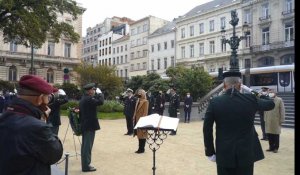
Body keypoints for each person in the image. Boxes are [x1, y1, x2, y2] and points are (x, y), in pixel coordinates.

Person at [203, 71, 275, 175]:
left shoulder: (215, 102)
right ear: (241, 85)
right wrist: (252, 91)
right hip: (246, 153)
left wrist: (209, 152)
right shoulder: (251, 99)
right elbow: (270, 103)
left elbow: (207, 129)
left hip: (224, 153)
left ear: (224, 85)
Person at [0, 74, 63, 175]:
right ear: (40, 99)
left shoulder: (5, 116)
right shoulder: (37, 127)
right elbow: (54, 154)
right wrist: (43, 122)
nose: (48, 102)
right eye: (47, 98)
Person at [79, 83, 104, 172]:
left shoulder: (84, 98)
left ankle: (85, 164)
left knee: (85, 146)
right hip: (89, 126)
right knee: (87, 146)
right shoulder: (89, 99)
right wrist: (100, 94)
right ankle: (86, 166)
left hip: (86, 125)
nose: (94, 91)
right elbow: (100, 102)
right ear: (89, 91)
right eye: (93, 90)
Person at [133, 89, 149, 154]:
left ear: (143, 93)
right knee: (139, 135)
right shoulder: (138, 101)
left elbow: (145, 112)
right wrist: (134, 116)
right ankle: (140, 148)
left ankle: (142, 149)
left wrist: (143, 121)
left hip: (142, 120)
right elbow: (135, 110)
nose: (139, 93)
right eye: (138, 92)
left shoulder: (145, 101)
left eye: (140, 92)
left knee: (142, 134)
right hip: (137, 120)